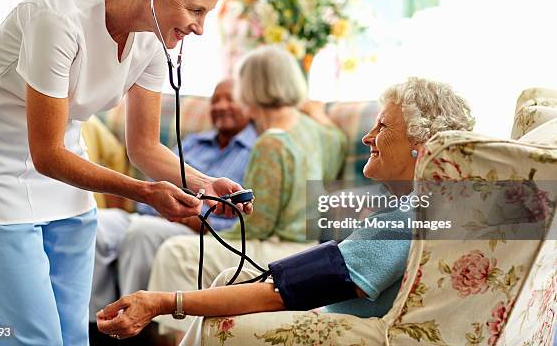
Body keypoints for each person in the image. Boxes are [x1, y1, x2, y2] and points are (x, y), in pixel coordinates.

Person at [0, 0, 250, 344]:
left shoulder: (155, 40)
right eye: (195, 9)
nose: (200, 27)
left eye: (207, 13)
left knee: (73, 334)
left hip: (68, 178)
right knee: (32, 338)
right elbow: (46, 153)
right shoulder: (54, 19)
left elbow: (144, 148)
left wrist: (204, 184)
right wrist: (145, 192)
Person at [96, 77, 475, 342]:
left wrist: (162, 301)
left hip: (335, 331)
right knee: (230, 274)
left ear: (422, 144)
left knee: (230, 286)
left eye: (383, 125)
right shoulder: (420, 209)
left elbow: (280, 292)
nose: (367, 137)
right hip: (327, 312)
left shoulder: (406, 221)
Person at [105, 45, 347, 339]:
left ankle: (180, 341)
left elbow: (256, 226)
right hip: (306, 244)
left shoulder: (271, 143)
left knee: (176, 252)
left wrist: (205, 230)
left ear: (251, 88)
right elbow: (337, 141)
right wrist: (317, 112)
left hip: (279, 245)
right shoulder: (320, 131)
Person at [89, 79, 256, 321]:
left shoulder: (256, 150)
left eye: (230, 99)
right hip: (153, 213)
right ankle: (97, 323)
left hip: (196, 229)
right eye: (216, 100)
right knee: (97, 224)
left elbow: (240, 219)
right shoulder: (193, 142)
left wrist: (192, 218)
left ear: (251, 105)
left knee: (141, 233)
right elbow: (150, 188)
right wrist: (157, 204)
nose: (221, 105)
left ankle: (132, 324)